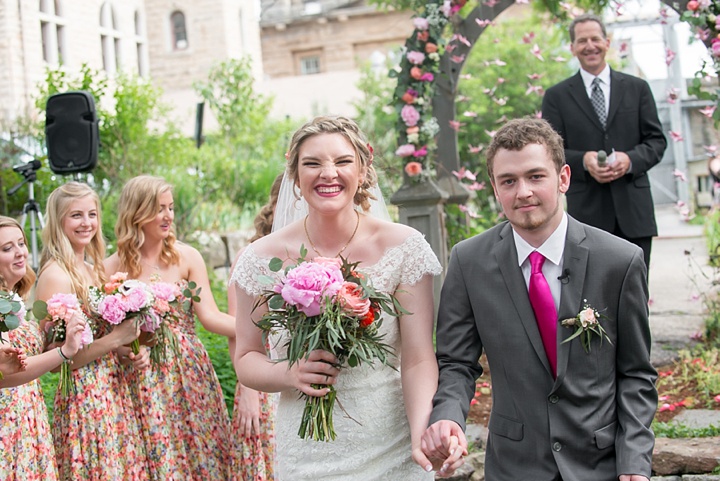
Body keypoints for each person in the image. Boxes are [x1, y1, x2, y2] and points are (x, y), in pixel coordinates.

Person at [419, 118, 658, 480]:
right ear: (495, 188)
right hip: (514, 464)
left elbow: (635, 373)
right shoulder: (468, 262)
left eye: (535, 176)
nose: (523, 192)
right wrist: (448, 415)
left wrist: (635, 461)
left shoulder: (619, 261)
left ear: (563, 178)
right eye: (508, 181)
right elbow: (456, 362)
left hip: (600, 464)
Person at [230, 115, 442, 480]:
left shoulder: (403, 247)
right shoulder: (261, 258)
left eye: (343, 161)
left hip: (391, 445)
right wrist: (288, 372)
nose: (328, 174)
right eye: (312, 163)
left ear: (362, 169)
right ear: (295, 175)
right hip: (306, 452)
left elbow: (418, 358)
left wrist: (421, 433)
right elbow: (247, 357)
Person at [105, 175, 233, 480]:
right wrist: (127, 351)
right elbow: (109, 337)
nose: (168, 216)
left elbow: (211, 316)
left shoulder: (187, 257)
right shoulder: (111, 267)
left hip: (189, 371)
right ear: (137, 212)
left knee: (203, 455)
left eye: (171, 207)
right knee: (156, 459)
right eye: (159, 208)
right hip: (140, 376)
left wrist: (261, 330)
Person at [34, 182, 149, 480]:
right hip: (84, 400)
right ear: (59, 221)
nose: (86, 223)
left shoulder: (91, 269)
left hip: (111, 391)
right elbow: (57, 360)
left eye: (92, 214)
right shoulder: (56, 275)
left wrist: (126, 351)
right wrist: (115, 339)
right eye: (76, 215)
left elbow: (99, 342)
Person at [541, 13, 667, 271]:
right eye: (582, 41)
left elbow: (656, 141)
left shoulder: (638, 88)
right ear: (572, 47)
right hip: (587, 215)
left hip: (634, 212)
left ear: (607, 42)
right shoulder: (556, 97)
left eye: (595, 39)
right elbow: (549, 152)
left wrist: (630, 160)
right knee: (591, 291)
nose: (590, 46)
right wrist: (583, 161)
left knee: (636, 289)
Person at [0, 215, 86, 480]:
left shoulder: (14, 299)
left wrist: (58, 335)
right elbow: (6, 373)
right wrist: (64, 351)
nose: (20, 252)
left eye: (21, 243)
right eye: (7, 248)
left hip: (29, 413)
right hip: (7, 420)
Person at [227, 173, 283, 481]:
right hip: (262, 377)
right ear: (275, 204)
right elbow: (240, 332)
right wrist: (248, 391)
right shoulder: (251, 257)